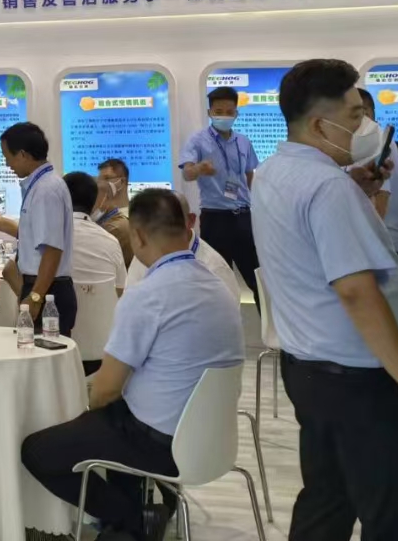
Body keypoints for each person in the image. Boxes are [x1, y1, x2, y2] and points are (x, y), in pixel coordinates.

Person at [253, 59, 398, 541]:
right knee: (391, 513)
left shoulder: (273, 171)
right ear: (320, 125)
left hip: (308, 367)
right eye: (355, 116)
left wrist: (353, 188)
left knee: (327, 500)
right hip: (357, 381)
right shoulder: (327, 187)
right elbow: (356, 292)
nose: (365, 126)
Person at [21, 189, 244, 541]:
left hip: (159, 442)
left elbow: (106, 390)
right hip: (213, 437)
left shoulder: (147, 295)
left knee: (38, 451)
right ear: (186, 227)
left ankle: (134, 519)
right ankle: (132, 522)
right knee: (113, 419)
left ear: (137, 236)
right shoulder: (219, 287)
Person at [179, 87, 261, 306]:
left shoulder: (243, 141)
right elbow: (187, 173)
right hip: (215, 219)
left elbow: (249, 173)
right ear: (209, 112)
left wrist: (255, 203)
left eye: (229, 112)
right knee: (217, 282)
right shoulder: (198, 141)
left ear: (236, 114)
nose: (224, 116)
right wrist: (199, 168)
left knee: (258, 280)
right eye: (218, 112)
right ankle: (222, 325)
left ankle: (269, 325)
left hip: (243, 216)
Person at [0, 122, 76, 335]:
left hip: (48, 292)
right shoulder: (42, 185)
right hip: (43, 288)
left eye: (8, 157)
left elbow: (52, 249)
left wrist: (36, 297)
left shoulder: (46, 190)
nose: (7, 164)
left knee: (41, 353)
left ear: (23, 154)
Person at [123, 191, 239, 302]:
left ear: (190, 220)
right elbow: (130, 297)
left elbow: (227, 314)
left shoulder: (214, 268)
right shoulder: (145, 252)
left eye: (171, 221)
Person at [64, 171, 126, 375]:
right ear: (94, 203)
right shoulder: (110, 241)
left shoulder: (51, 237)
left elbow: (11, 270)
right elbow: (120, 292)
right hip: (104, 350)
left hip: (60, 347)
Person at [356, 89, 398, 263]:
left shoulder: (374, 140)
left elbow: (381, 199)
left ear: (365, 113)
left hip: (382, 243)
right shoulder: (365, 140)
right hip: (385, 241)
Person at [94, 158, 134, 268]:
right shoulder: (99, 215)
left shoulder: (136, 215)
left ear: (122, 182)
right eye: (99, 180)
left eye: (107, 178)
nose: (101, 184)